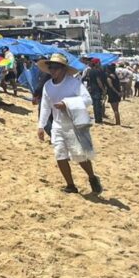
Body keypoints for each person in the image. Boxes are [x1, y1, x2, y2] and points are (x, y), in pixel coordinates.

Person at [37, 53, 102, 195]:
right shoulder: (48, 85)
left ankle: (92, 177)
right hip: (57, 125)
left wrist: (67, 104)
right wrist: (41, 126)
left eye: (56, 67)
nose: (52, 70)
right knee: (60, 155)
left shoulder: (73, 83)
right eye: (50, 67)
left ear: (64, 69)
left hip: (74, 125)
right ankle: (70, 185)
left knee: (79, 156)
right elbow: (45, 106)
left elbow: (87, 100)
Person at [81, 59, 107, 124]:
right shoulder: (96, 71)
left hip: (92, 89)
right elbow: (98, 81)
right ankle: (99, 120)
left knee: (95, 105)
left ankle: (97, 119)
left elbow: (87, 79)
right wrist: (103, 89)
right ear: (96, 63)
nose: (100, 63)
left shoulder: (90, 71)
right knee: (98, 105)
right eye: (99, 62)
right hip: (97, 89)